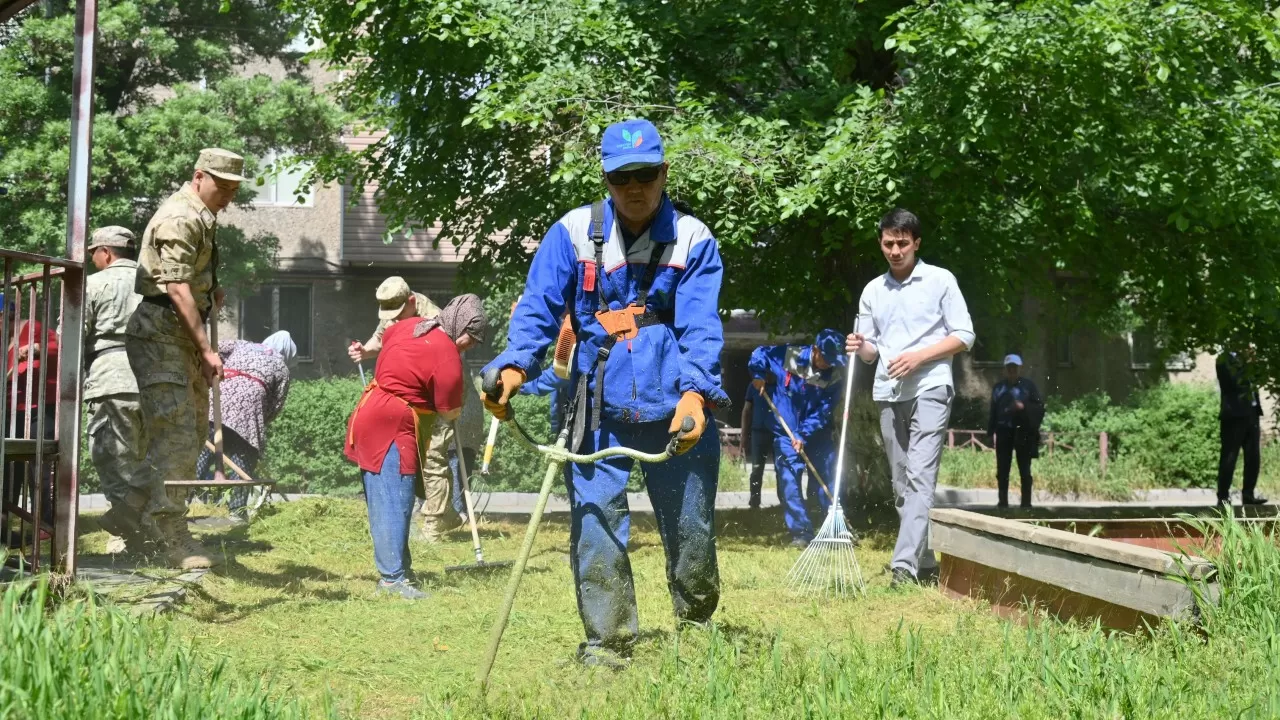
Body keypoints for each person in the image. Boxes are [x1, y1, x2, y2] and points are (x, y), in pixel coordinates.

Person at [481, 118, 727, 667]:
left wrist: (697, 395)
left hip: (673, 406)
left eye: (645, 174)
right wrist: (516, 365)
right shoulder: (571, 233)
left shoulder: (693, 239)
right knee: (596, 527)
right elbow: (538, 307)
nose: (634, 188)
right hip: (593, 408)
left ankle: (698, 629)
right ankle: (609, 646)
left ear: (664, 173)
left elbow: (702, 327)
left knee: (691, 529)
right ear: (606, 178)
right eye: (622, 178)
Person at [125, 147, 247, 570]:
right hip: (162, 336)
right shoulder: (181, 216)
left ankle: (132, 515)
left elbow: (187, 284)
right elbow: (175, 290)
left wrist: (208, 292)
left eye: (234, 189)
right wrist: (208, 349)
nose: (228, 196)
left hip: (179, 339)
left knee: (189, 433)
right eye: (223, 187)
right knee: (175, 438)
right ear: (199, 177)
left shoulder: (202, 216)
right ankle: (167, 536)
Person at [846, 208, 974, 588]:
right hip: (888, 391)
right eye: (889, 243)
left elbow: (964, 335)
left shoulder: (940, 280)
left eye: (903, 243)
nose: (896, 250)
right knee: (901, 484)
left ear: (917, 243)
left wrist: (919, 356)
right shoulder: (872, 290)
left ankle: (903, 568)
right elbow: (870, 353)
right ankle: (927, 562)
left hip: (931, 386)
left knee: (920, 478)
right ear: (881, 244)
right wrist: (861, 345)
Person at [344, 304, 464, 600]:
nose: (468, 346)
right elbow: (449, 409)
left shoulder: (405, 327)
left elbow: (390, 351)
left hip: (371, 414)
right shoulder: (446, 347)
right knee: (393, 500)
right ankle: (391, 580)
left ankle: (400, 570)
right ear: (463, 328)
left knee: (392, 498)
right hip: (392, 425)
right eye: (471, 339)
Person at [83, 226, 156, 552]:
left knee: (110, 457)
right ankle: (150, 529)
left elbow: (70, 333)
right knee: (146, 457)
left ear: (106, 253)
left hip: (111, 377)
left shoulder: (94, 284)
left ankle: (130, 535)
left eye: (92, 253)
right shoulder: (154, 283)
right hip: (154, 377)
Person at [748, 329, 846, 546]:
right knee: (789, 482)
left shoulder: (835, 377)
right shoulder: (790, 356)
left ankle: (833, 529)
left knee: (828, 480)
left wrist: (804, 434)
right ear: (815, 350)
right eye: (826, 359)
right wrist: (758, 375)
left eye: (834, 361)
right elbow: (760, 353)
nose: (829, 364)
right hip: (786, 432)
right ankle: (802, 533)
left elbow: (824, 411)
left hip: (817, 434)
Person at [410, 294, 488, 539]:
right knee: (433, 465)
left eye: (477, 341)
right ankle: (444, 517)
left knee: (440, 463)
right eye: (470, 338)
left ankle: (438, 523)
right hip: (428, 411)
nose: (472, 345)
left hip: (455, 412)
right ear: (459, 323)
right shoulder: (432, 337)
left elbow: (454, 388)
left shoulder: (451, 344)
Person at [195, 331, 296, 519]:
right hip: (249, 411)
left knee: (203, 450)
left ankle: (183, 503)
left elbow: (212, 350)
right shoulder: (282, 367)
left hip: (218, 398)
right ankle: (237, 511)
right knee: (244, 456)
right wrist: (257, 423)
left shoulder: (242, 345)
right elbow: (276, 405)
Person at [986, 354, 1044, 509]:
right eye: (1009, 367)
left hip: (1023, 432)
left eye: (1015, 367)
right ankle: (1002, 503)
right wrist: (990, 433)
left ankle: (1026, 504)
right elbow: (993, 411)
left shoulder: (1028, 386)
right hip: (1003, 430)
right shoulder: (999, 388)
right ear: (1005, 369)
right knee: (1002, 469)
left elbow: (1040, 408)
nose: (1012, 370)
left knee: (1025, 468)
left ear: (1020, 368)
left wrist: (1023, 406)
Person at [347, 277, 441, 363]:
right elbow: (379, 339)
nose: (395, 318)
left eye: (399, 313)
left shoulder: (433, 317)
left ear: (412, 301)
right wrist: (364, 351)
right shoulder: (393, 310)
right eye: (391, 315)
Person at [1216, 350, 1268, 506]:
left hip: (1252, 413)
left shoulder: (1246, 360)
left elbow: (1259, 378)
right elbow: (1233, 383)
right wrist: (1248, 366)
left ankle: (1248, 494)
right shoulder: (1223, 359)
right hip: (1234, 415)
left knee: (1253, 457)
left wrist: (1255, 364)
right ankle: (1223, 497)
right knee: (1229, 457)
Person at [739, 376, 775, 510]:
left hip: (778, 433)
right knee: (756, 470)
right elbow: (746, 410)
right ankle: (754, 503)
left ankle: (784, 504)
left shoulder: (782, 384)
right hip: (758, 432)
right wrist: (744, 435)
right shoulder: (754, 385)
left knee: (781, 468)